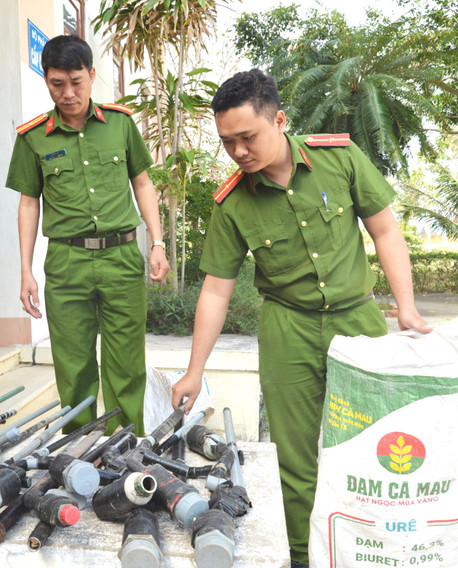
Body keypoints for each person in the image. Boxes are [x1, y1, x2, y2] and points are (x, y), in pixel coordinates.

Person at [170, 69, 433, 567]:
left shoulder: (339, 158)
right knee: (297, 457)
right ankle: (303, 556)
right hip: (287, 330)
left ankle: (376, 548)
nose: (239, 151)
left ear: (280, 120)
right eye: (227, 142)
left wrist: (407, 306)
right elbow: (215, 290)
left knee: (376, 444)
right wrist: (194, 370)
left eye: (248, 137)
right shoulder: (232, 203)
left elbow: (385, 231)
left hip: (358, 322)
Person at [5, 35, 169, 436]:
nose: (67, 93)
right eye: (57, 83)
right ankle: (78, 447)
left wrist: (158, 242)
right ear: (46, 80)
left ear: (92, 75)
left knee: (126, 360)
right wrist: (26, 271)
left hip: (122, 257)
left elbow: (143, 184)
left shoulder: (120, 124)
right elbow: (29, 204)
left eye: (76, 82)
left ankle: (126, 443)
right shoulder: (33, 138)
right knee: (73, 361)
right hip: (67, 261)